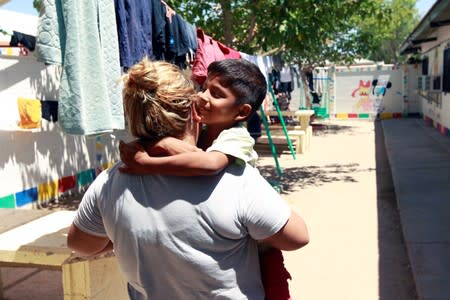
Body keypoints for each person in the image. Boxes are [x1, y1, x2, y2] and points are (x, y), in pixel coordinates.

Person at [67, 57, 309, 300]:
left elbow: (80, 245)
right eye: (202, 90)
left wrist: (121, 233)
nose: (203, 97)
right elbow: (298, 237)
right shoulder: (236, 180)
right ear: (191, 113)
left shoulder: (112, 180)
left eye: (215, 94)